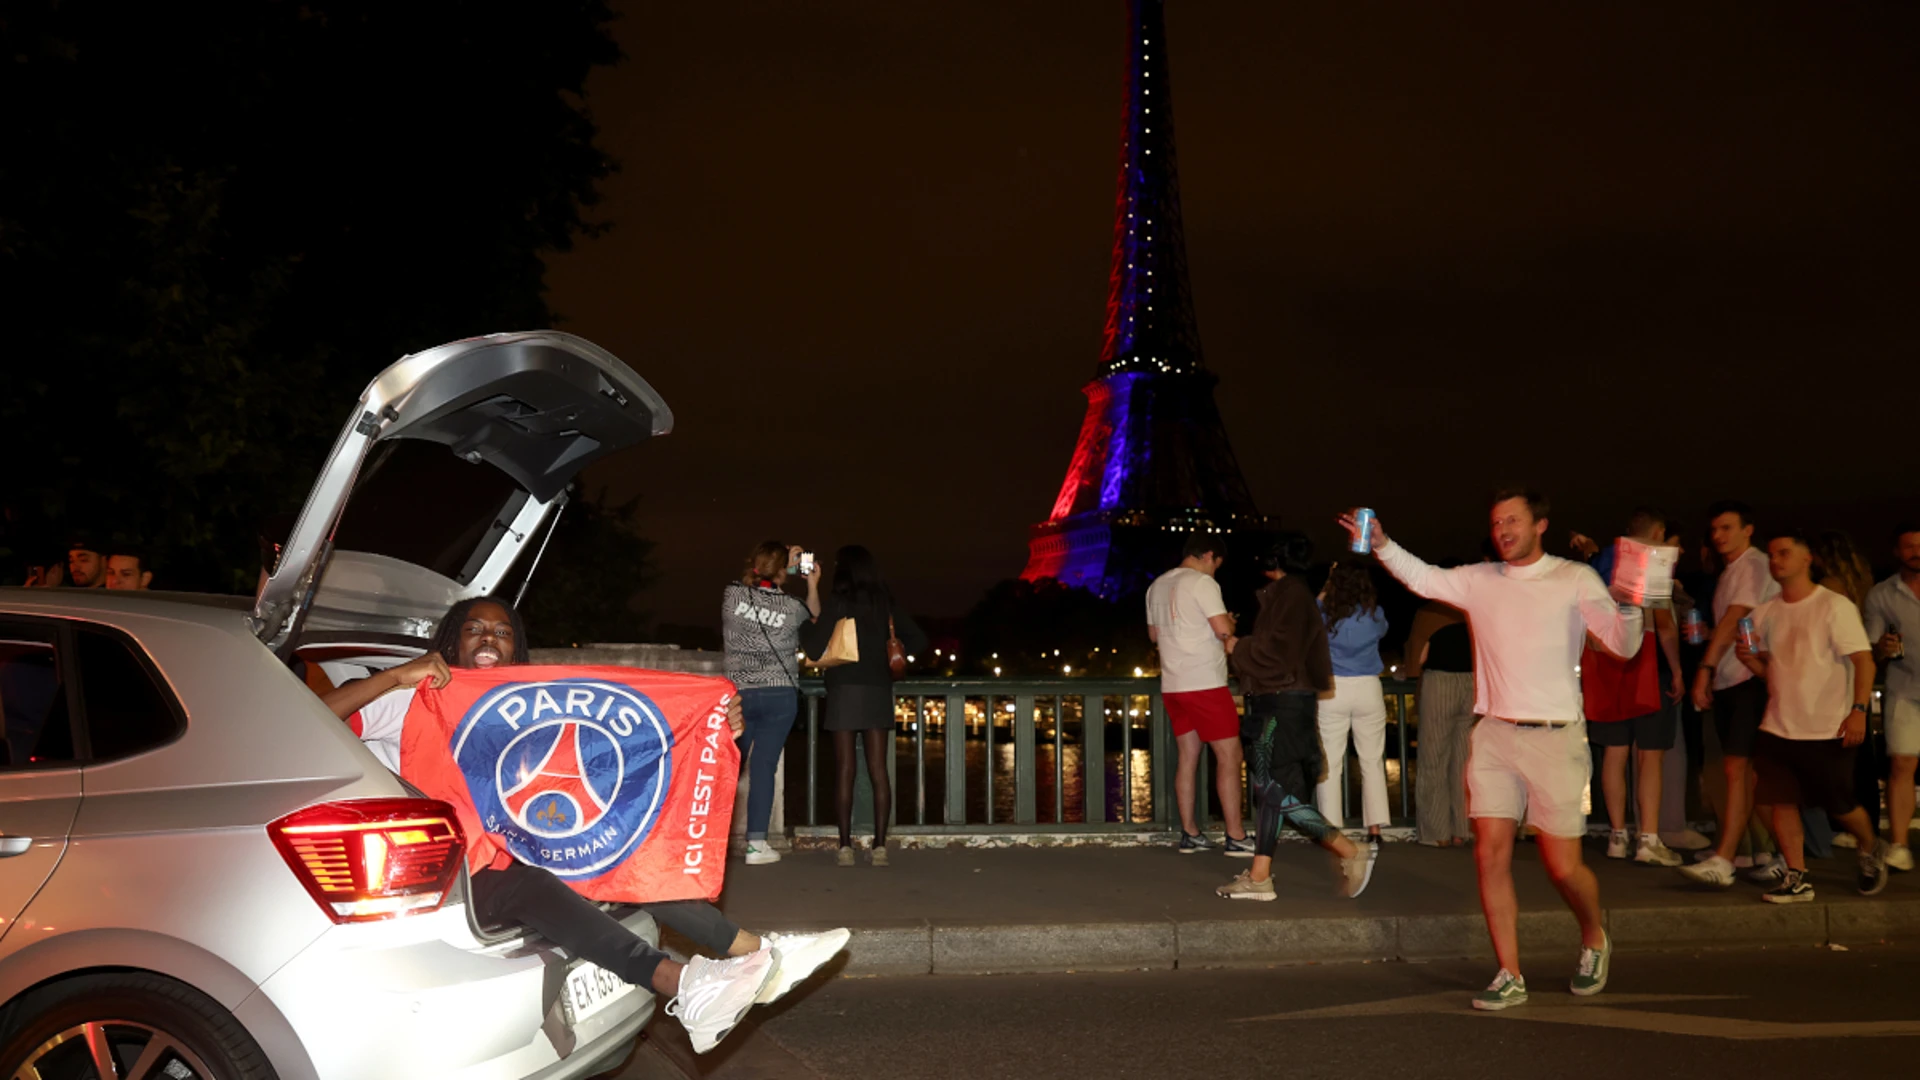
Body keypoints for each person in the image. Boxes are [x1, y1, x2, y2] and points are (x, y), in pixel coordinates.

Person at [321, 596, 851, 1054]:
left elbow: (612, 752)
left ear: (516, 649)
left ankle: (756, 953)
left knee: (617, 856)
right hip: (454, 869)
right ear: (451, 642)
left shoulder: (523, 705)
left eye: (502, 633)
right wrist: (395, 676)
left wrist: (709, 726)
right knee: (530, 884)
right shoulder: (412, 697)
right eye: (474, 629)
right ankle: (682, 985)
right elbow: (315, 715)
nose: (489, 639)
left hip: (513, 850)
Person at [1345, 490, 1643, 1011]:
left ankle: (1594, 935)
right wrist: (1383, 544)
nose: (1503, 529)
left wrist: (1635, 601)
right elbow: (1424, 578)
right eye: (1497, 522)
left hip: (1555, 736)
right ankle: (1509, 972)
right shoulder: (1480, 580)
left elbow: (1623, 645)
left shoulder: (1574, 578)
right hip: (1494, 734)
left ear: (1540, 525)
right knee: (1489, 855)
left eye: (1513, 520)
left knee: (1562, 867)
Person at [1215, 533, 1374, 901]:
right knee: (1269, 789)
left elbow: (1278, 653)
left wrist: (1239, 646)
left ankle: (1348, 849)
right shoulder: (1292, 594)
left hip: (1280, 705)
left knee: (1271, 789)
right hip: (1283, 702)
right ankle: (1260, 877)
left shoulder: (1291, 596)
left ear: (1276, 560)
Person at [1732, 531, 1889, 901]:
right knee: (1778, 800)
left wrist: (1859, 711)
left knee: (1840, 804)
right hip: (1778, 725)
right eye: (1772, 555)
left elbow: (1863, 660)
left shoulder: (1833, 606)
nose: (1776, 561)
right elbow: (1774, 671)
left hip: (1826, 726)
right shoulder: (1765, 612)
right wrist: (1750, 661)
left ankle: (1870, 845)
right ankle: (1797, 874)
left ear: (1807, 559)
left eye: (1784, 553)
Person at [798, 545, 928, 867]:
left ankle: (845, 848)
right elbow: (919, 640)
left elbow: (813, 647)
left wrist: (805, 624)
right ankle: (879, 847)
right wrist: (887, 656)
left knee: (845, 770)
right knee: (878, 771)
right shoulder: (885, 604)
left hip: (843, 691)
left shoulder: (839, 602)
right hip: (878, 690)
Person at [1571, 509, 1684, 868]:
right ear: (1658, 532)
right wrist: (1677, 669)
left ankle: (1617, 836)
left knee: (1614, 753)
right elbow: (1664, 623)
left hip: (1605, 663)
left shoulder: (1601, 563)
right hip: (1645, 662)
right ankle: (1648, 839)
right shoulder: (1652, 562)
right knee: (1650, 754)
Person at [1680, 501, 1784, 887]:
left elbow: (1735, 617)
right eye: (1715, 530)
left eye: (1727, 528)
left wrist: (1704, 668)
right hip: (1732, 679)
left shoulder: (1753, 565)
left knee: (1739, 770)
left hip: (1747, 679)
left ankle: (1728, 858)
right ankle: (1769, 853)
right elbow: (1735, 625)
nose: (1718, 536)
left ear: (1748, 529)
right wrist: (1710, 645)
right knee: (1743, 773)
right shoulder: (1731, 571)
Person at [1141, 534, 1251, 855]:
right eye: (1216, 565)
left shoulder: (1156, 585)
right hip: (1205, 683)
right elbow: (1223, 630)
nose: (1215, 571)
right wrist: (1230, 623)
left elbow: (1153, 635)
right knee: (1230, 756)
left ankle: (1190, 832)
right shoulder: (1203, 583)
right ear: (1208, 555)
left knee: (1188, 758)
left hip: (1173, 685)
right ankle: (1236, 835)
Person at [721, 541, 821, 866]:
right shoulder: (792, 606)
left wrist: (778, 567)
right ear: (782, 571)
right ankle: (756, 845)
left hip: (739, 696)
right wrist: (811, 582)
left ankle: (710, 841)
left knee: (727, 767)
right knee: (763, 768)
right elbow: (815, 615)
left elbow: (757, 581)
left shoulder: (732, 595)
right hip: (779, 694)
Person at [1315, 561, 1392, 844]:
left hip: (1333, 688)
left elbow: (1309, 615)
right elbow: (1383, 630)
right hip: (1368, 687)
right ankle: (1375, 828)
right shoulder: (1374, 614)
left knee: (1330, 763)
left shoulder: (1325, 615)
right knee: (1372, 760)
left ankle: (1331, 830)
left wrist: (1326, 587)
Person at [1863, 523, 1920, 872]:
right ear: (1897, 551)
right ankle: (1899, 844)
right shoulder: (1881, 594)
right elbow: (1871, 650)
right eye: (1909, 546)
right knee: (1901, 763)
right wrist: (1882, 648)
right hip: (1905, 687)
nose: (1917, 552)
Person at [1403, 581, 1475, 847]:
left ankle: (1436, 833)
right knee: (1464, 761)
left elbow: (1417, 659)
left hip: (1440, 683)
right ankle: (1464, 829)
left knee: (1433, 759)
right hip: (1473, 683)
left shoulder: (1429, 613)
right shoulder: (1472, 608)